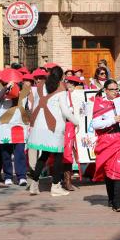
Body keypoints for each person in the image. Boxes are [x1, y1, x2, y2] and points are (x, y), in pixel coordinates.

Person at [27, 66, 80, 197]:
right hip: (54, 127)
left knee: (44, 155)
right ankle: (55, 187)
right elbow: (66, 111)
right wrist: (77, 122)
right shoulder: (61, 88)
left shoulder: (40, 86)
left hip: (38, 125)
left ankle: (34, 185)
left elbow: (34, 106)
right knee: (58, 158)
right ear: (61, 77)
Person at [92, 79, 120, 212]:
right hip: (106, 141)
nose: (115, 91)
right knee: (109, 172)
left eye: (117, 89)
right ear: (106, 90)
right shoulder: (99, 103)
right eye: (112, 89)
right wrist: (113, 119)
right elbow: (95, 124)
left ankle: (118, 203)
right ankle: (111, 199)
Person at [0, 69, 31, 186]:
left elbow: (27, 108)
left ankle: (21, 176)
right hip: (4, 126)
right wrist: (6, 88)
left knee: (20, 152)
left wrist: (30, 120)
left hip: (18, 125)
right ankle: (8, 176)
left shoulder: (23, 92)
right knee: (6, 153)